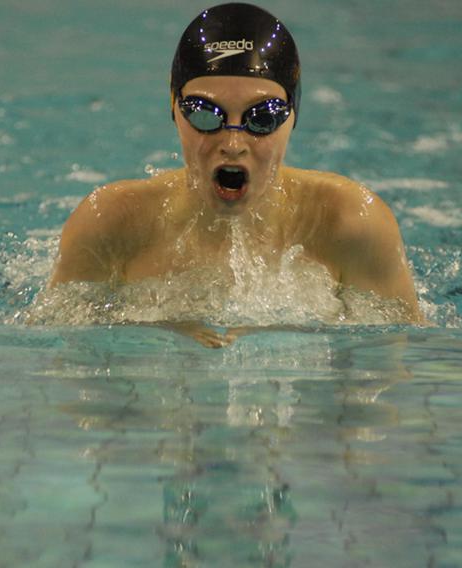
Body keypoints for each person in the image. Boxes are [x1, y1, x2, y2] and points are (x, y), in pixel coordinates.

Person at [50, 3, 422, 344]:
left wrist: (285, 336)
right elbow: (53, 353)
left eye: (262, 117)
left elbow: (403, 362)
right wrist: (161, 332)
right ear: (173, 108)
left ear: (293, 115)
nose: (232, 142)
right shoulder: (110, 222)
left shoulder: (352, 223)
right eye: (204, 112)